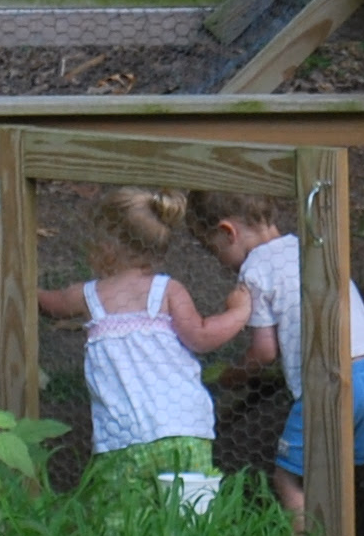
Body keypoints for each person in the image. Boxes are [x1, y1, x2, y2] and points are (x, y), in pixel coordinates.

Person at [36, 186, 250, 499]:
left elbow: (49, 303)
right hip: (183, 429)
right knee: (190, 512)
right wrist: (239, 312)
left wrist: (5, 293)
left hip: (125, 438)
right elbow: (201, 336)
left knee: (123, 517)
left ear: (108, 242)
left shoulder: (89, 295)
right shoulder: (168, 290)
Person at [193, 188, 364, 529]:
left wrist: (235, 374)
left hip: (330, 378)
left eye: (213, 249)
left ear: (227, 232)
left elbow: (264, 352)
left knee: (288, 479)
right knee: (337, 473)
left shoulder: (255, 270)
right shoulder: (309, 248)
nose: (219, 261)